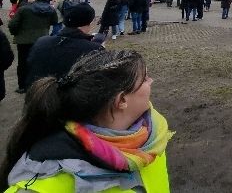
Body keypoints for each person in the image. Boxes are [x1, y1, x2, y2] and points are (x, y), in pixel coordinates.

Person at [3, 50, 171, 192]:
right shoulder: (38, 185)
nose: (151, 81)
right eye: (144, 79)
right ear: (121, 101)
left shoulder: (150, 140)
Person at [7, 0, 56, 96]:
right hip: (43, 39)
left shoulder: (23, 9)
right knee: (39, 62)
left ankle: (22, 86)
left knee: (23, 63)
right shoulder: (50, 9)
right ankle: (37, 85)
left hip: (24, 40)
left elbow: (12, 24)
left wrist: (16, 32)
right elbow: (54, 21)